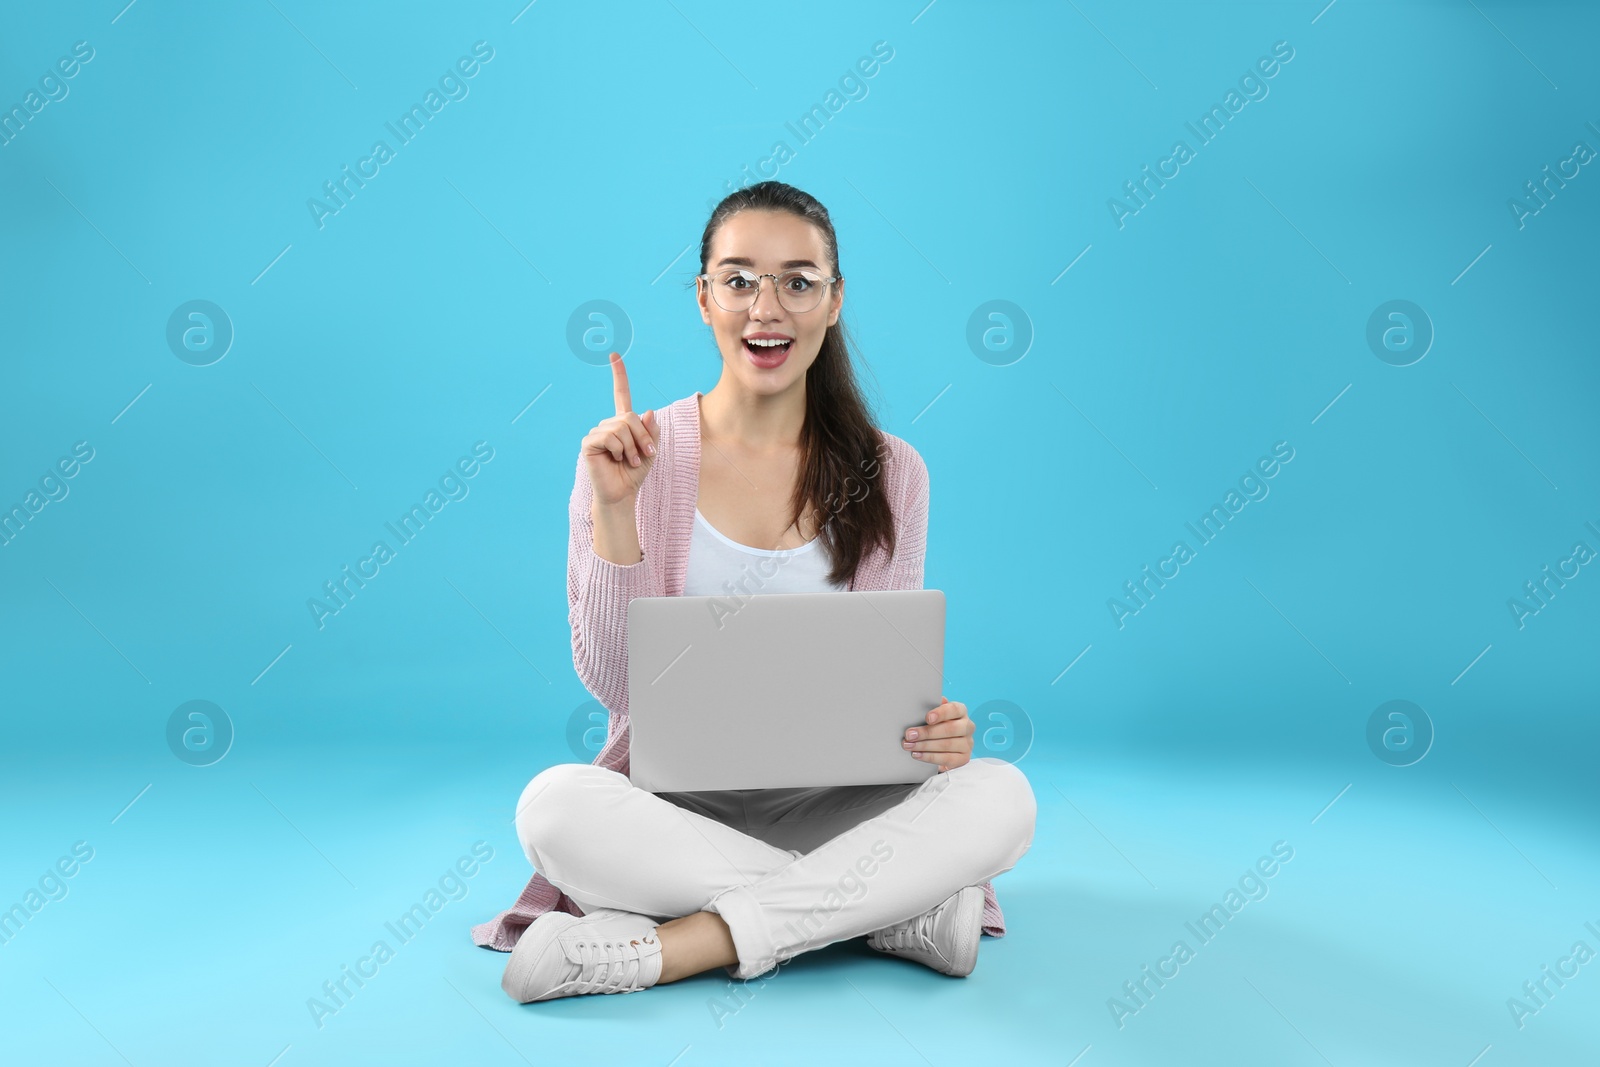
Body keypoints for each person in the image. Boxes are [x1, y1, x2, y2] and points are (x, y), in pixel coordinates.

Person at [473, 180, 1037, 1003]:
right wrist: (615, 510)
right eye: (738, 280)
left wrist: (932, 729)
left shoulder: (893, 474)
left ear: (834, 300)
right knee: (553, 807)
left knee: (1002, 794)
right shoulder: (633, 459)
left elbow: (884, 675)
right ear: (703, 299)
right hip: (677, 812)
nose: (764, 307)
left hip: (844, 805)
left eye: (798, 281)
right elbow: (613, 686)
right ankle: (887, 915)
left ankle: (677, 945)